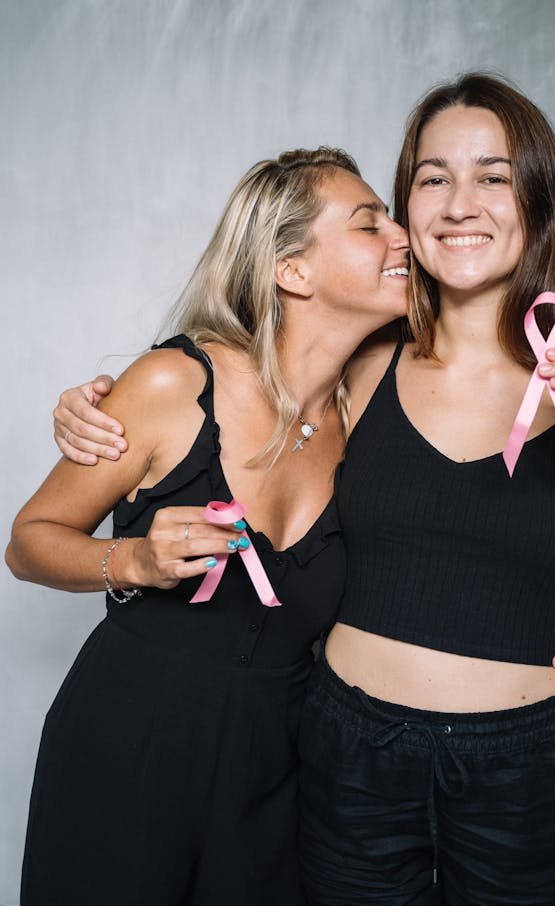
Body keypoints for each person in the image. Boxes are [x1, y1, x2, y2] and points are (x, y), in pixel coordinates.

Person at [292, 74, 555, 904]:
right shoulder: (362, 366)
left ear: (537, 199)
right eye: (433, 178)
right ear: (407, 207)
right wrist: (115, 404)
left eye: (493, 176)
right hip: (350, 764)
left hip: (532, 779)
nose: (460, 204)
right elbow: (236, 411)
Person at [6, 146, 414, 905]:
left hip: (279, 775)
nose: (403, 236)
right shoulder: (174, 382)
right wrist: (132, 560)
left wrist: (551, 643)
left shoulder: (368, 417)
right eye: (370, 224)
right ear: (293, 270)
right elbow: (28, 541)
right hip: (126, 743)